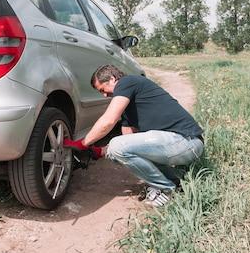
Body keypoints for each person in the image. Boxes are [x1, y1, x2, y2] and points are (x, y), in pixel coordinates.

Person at [64, 64, 204, 207]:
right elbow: (128, 142)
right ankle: (176, 177)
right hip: (179, 144)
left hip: (187, 142)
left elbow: (109, 121)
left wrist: (83, 143)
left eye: (103, 90)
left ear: (112, 79)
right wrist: (100, 151)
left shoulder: (127, 82)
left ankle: (167, 189)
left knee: (116, 146)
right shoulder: (129, 107)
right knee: (115, 152)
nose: (105, 95)